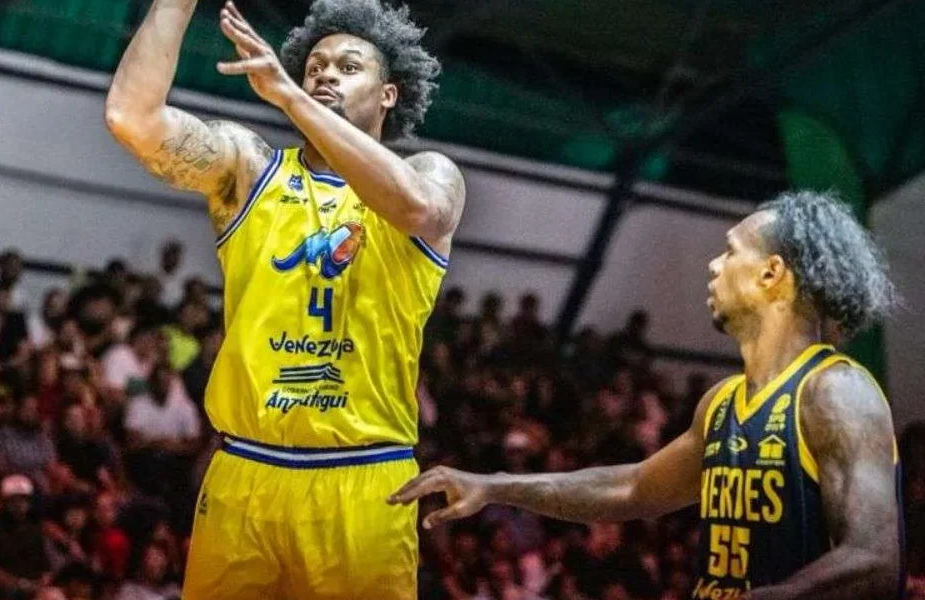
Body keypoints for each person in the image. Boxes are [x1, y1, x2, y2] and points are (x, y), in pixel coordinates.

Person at [106, 0, 465, 596]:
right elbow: (131, 116)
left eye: (348, 67)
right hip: (245, 472)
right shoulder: (250, 170)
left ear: (389, 95)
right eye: (314, 67)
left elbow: (419, 209)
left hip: (361, 477)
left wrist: (293, 99)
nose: (324, 75)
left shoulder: (433, 172)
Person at [391, 192, 905, 599]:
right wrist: (495, 486)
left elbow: (875, 562)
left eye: (731, 251)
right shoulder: (722, 403)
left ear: (771, 273)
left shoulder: (836, 390)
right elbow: (633, 489)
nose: (714, 265)